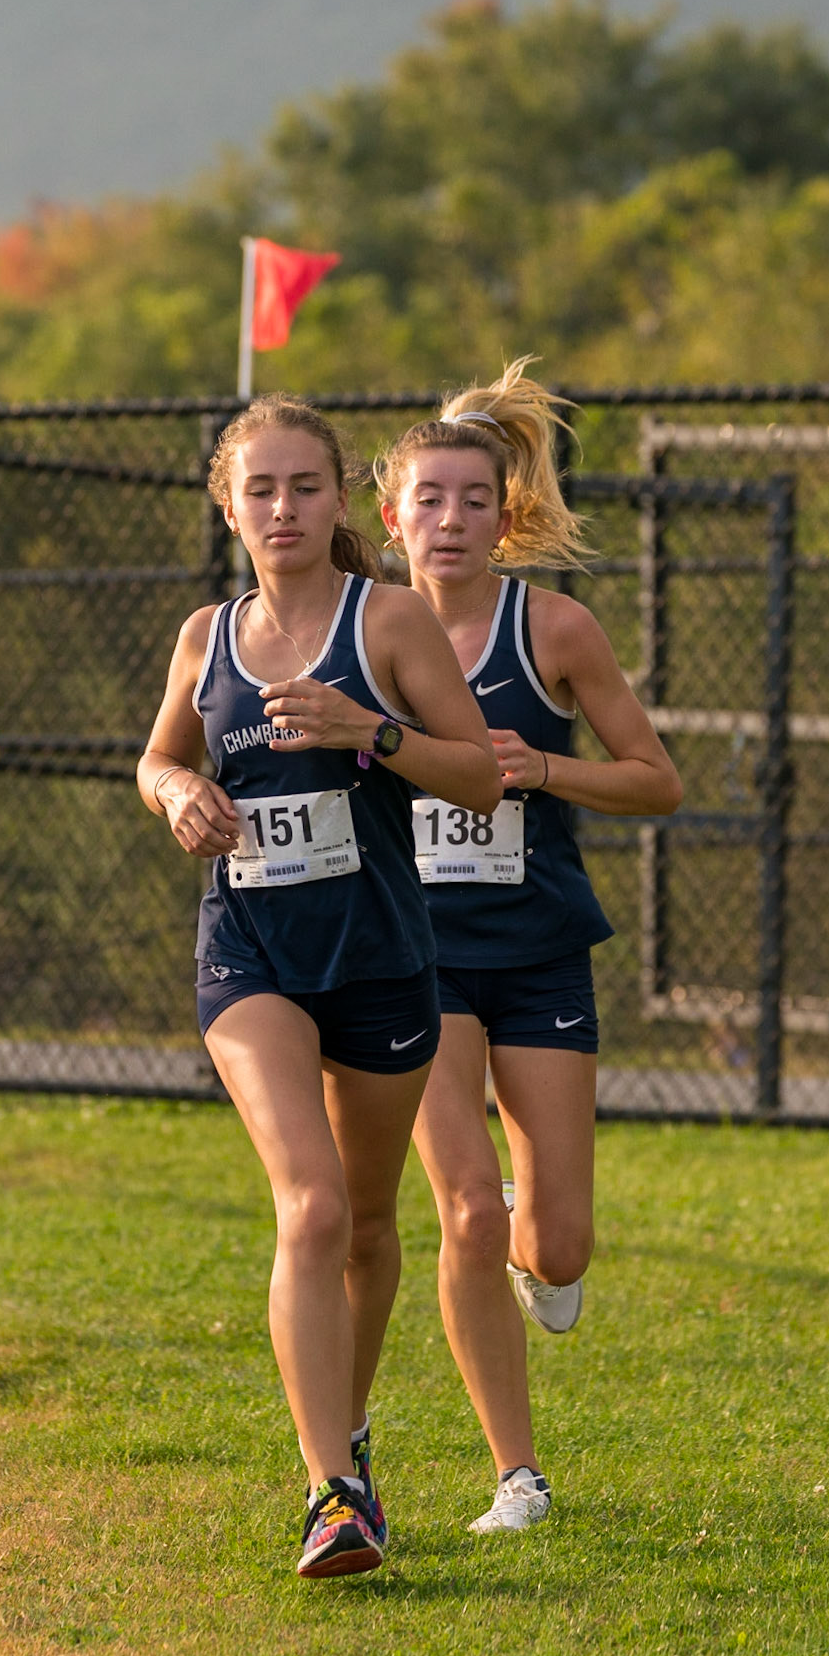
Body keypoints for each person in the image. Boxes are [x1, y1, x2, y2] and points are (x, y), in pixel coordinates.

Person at [138, 393, 499, 1578]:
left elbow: (479, 777)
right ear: (228, 506)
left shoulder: (387, 618)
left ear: (339, 497)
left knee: (368, 1222)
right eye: (260, 489)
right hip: (251, 952)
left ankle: (345, 1427)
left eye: (304, 486)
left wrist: (369, 729)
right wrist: (176, 792)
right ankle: (332, 1492)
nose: (283, 507)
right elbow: (158, 754)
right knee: (312, 1204)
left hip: (381, 955)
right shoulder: (206, 635)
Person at [375, 360, 682, 1533]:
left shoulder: (551, 627)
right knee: (464, 1208)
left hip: (540, 947)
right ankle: (519, 1474)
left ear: (504, 519)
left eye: (473, 501)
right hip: (415, 952)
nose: (449, 521)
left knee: (554, 1244)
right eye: (428, 500)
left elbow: (655, 780)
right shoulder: (359, 632)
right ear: (392, 515)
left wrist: (544, 767)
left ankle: (535, 1238)